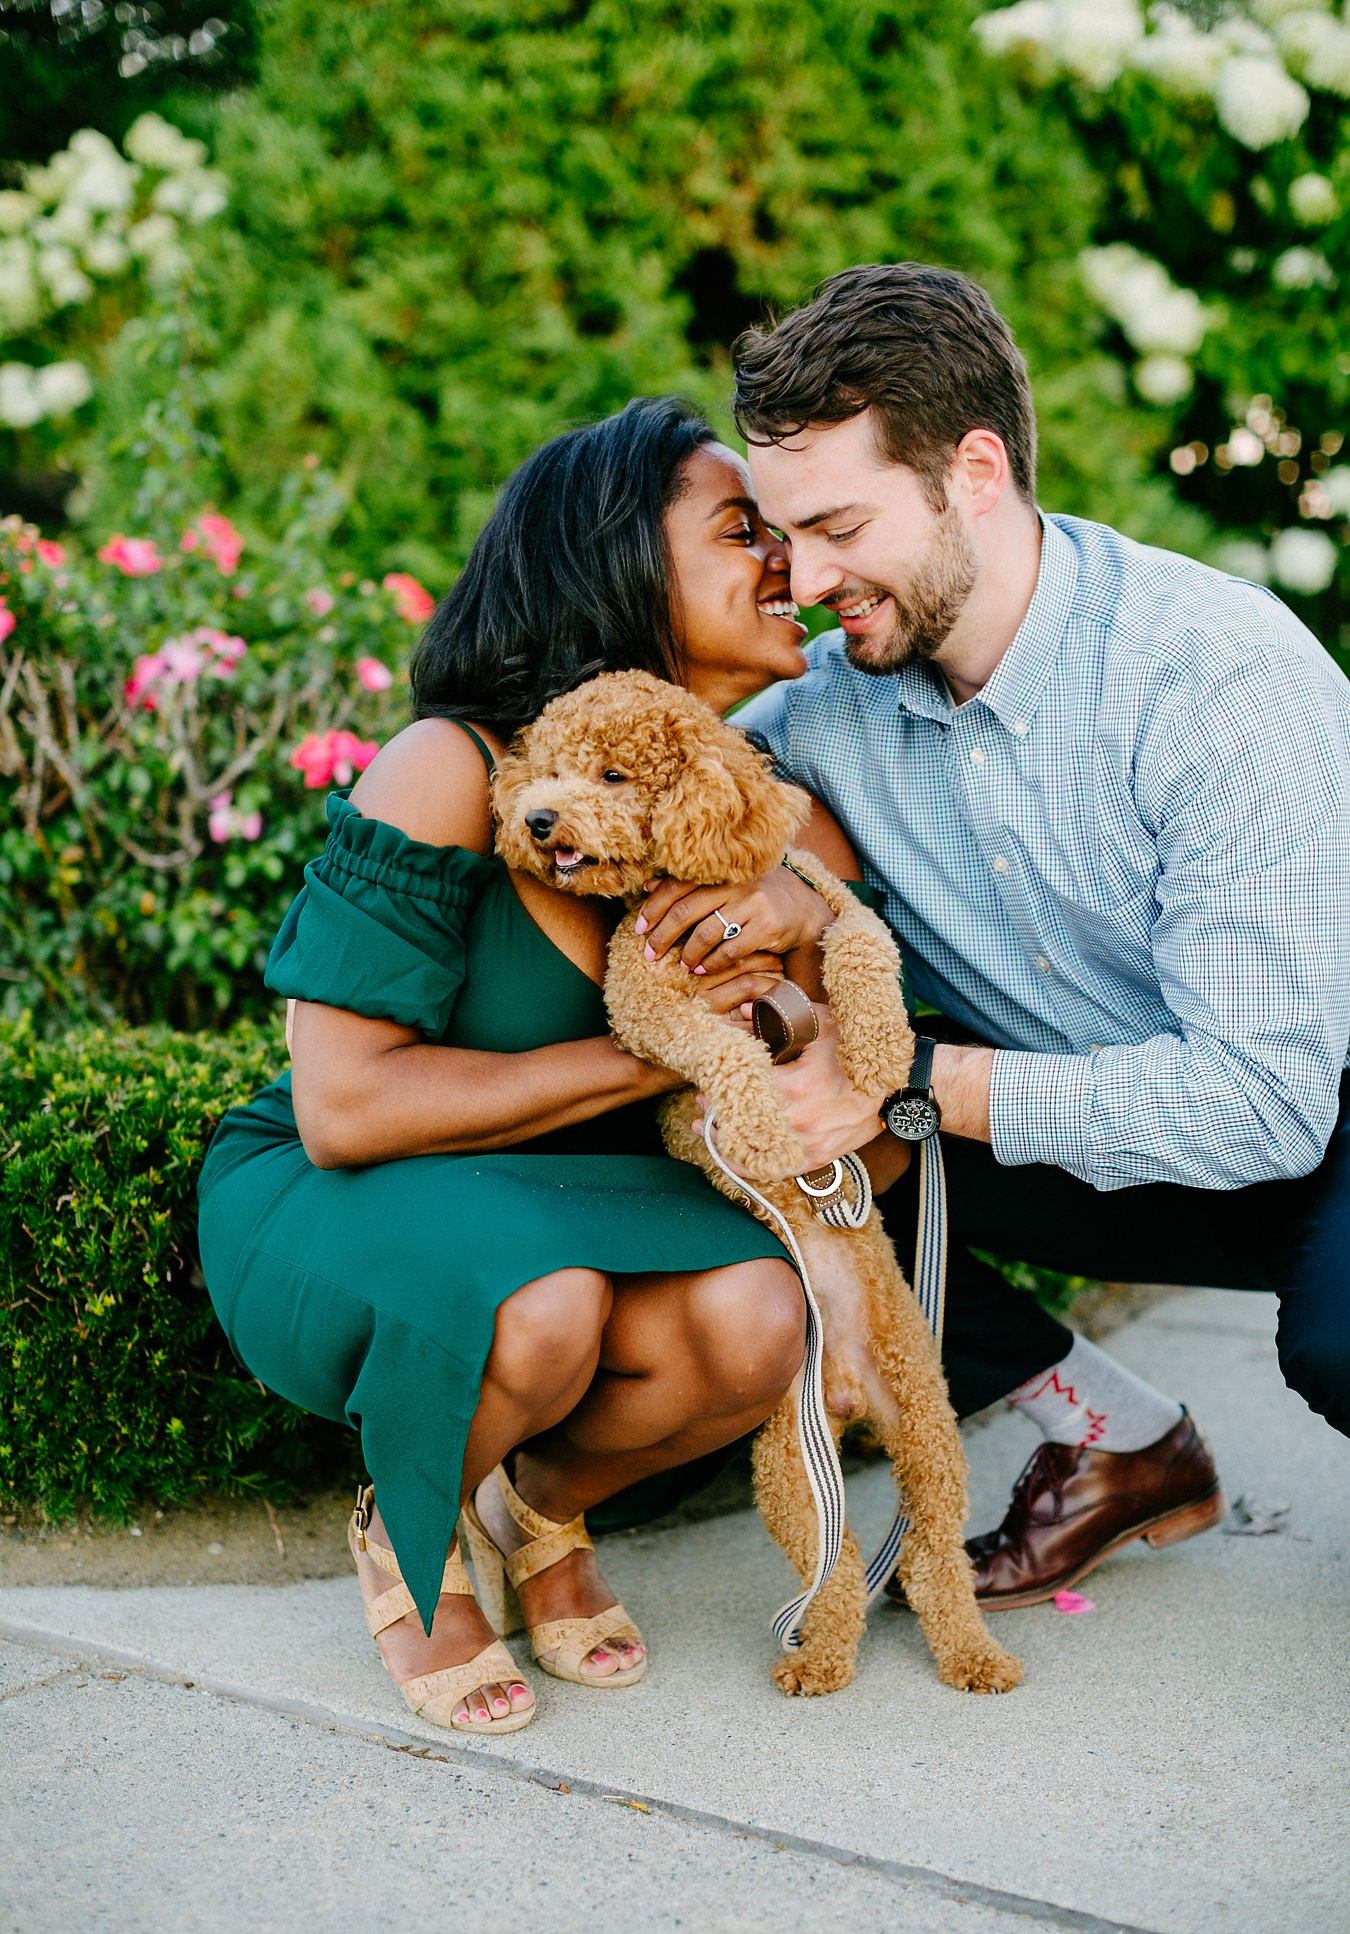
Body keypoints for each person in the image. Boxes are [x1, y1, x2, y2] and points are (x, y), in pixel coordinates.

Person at [638, 263, 1350, 1611]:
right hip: (1076, 1114)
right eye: (783, 535)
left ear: (972, 469)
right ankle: (1120, 1439)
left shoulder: (1215, 681)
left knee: (1344, 1341)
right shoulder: (838, 690)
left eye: (838, 524)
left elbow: (1265, 1106)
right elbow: (702, 793)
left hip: (1314, 1111)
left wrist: (909, 1081)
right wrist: (790, 875)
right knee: (747, 1124)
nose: (804, 577)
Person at [197, 396, 875, 1736]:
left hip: (569, 1202)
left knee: (753, 1319)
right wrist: (650, 1049)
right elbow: (345, 1105)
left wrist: (807, 938)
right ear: (612, 562)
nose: (787, 561)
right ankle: (416, 1522)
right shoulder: (449, 770)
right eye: (742, 530)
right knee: (546, 1302)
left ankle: (535, 1506)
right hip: (344, 1187)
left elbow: (830, 1083)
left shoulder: (762, 812)